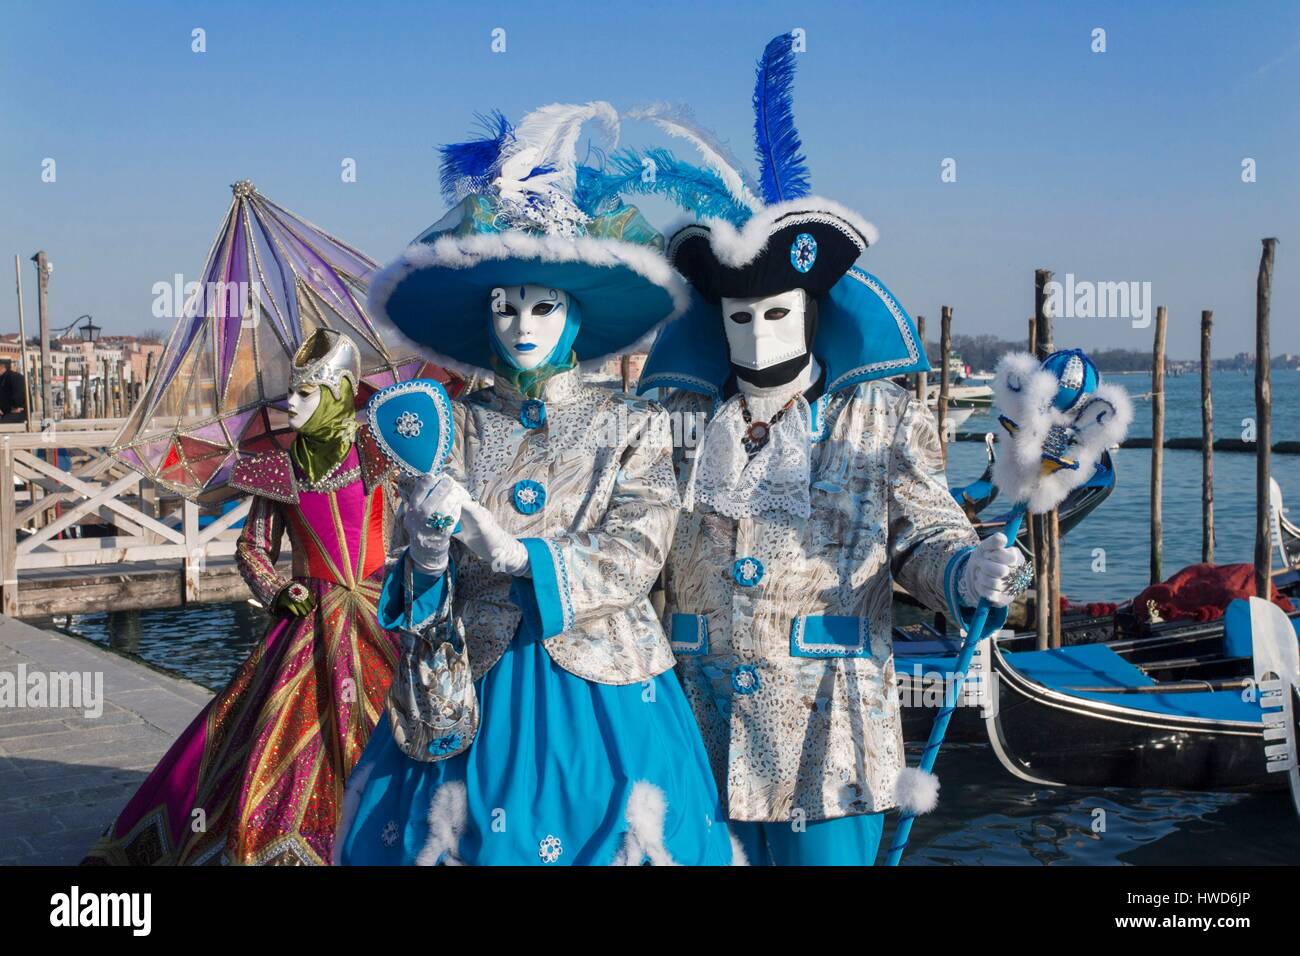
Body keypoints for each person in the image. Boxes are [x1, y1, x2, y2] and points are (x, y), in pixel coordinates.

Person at [635, 34, 1029, 865]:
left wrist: (967, 573)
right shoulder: (676, 422)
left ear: (812, 314)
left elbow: (922, 537)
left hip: (830, 736)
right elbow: (632, 547)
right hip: (689, 728)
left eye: (776, 313)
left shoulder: (879, 418)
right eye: (739, 317)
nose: (757, 332)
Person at [335, 102, 735, 866]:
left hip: (608, 686)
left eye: (543, 305)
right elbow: (414, 589)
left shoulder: (634, 424)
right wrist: (423, 553)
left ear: (576, 316)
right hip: (475, 689)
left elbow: (637, 553)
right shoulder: (449, 424)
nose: (522, 323)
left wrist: (522, 558)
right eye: (505, 306)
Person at [84, 329, 403, 865]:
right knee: (277, 738)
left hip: (380, 613)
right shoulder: (276, 465)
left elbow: (413, 529)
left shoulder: (377, 453)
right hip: (309, 619)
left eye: (305, 393)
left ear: (341, 391)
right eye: (290, 392)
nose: (291, 403)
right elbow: (253, 549)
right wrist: (279, 589)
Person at [0, 358, 28, 423]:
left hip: (19, 412)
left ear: (1, 367)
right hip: (12, 411)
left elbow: (18, 399)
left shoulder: (14, 377)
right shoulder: (6, 378)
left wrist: (9, 409)